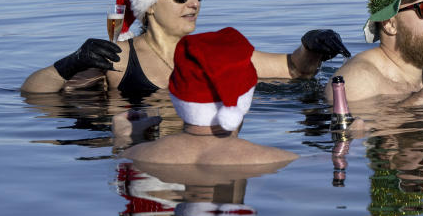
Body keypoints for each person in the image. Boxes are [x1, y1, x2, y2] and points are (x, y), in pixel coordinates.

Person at [21, 0, 349, 96]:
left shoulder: (216, 49)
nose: (194, 2)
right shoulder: (118, 59)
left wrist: (311, 46)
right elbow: (34, 94)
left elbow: (294, 69)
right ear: (148, 5)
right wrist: (69, 64)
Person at [117, 27, 298, 166]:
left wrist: (124, 139)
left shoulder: (132, 155)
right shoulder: (278, 160)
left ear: (176, 94)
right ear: (245, 96)